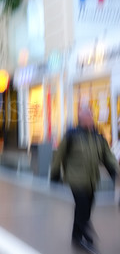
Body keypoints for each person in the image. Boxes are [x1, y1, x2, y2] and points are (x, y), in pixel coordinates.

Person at [51, 107, 118, 253]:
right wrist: (55, 174)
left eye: (91, 116)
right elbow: (59, 155)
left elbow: (107, 155)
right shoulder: (71, 135)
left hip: (92, 179)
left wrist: (113, 170)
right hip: (75, 178)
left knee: (86, 209)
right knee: (82, 207)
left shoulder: (98, 136)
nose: (90, 119)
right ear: (81, 119)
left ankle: (75, 236)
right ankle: (86, 238)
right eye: (87, 117)